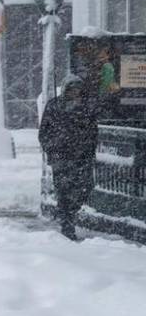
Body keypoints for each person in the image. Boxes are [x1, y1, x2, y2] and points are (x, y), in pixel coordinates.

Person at [39, 74, 100, 241]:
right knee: (64, 190)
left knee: (85, 187)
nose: (76, 92)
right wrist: (52, 149)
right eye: (72, 89)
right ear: (66, 89)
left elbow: (93, 130)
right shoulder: (54, 105)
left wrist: (89, 148)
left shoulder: (86, 107)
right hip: (61, 157)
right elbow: (44, 132)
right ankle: (67, 224)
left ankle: (68, 214)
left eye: (78, 89)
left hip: (82, 156)